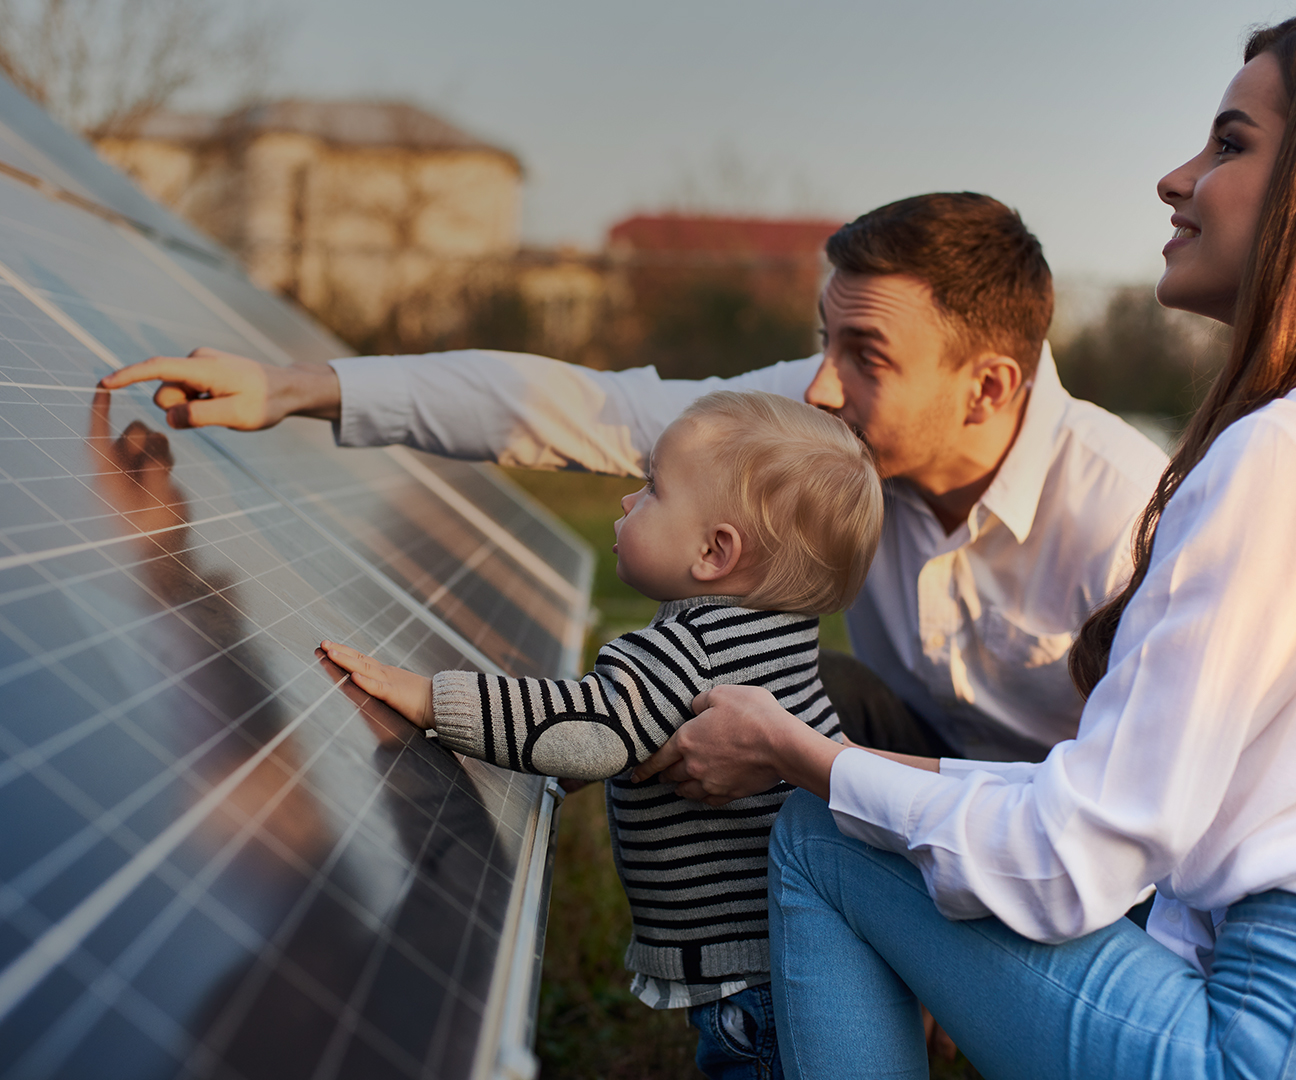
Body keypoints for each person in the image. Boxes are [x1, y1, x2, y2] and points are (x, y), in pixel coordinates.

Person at [631, 18, 1296, 1078]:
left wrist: (805, 759)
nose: (1176, 178)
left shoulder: (1259, 460)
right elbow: (607, 409)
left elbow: (1083, 856)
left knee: (819, 831)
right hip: (1218, 953)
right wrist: (321, 391)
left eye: (1229, 142)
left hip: (1247, 1041)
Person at [98, 192, 1167, 767]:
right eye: (823, 341)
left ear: (987, 388)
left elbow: (1138, 814)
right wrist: (300, 385)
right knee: (729, 687)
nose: (824, 392)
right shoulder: (821, 417)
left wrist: (857, 793)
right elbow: (592, 410)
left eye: (867, 359)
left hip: (1077, 841)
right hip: (912, 762)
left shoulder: (1129, 517)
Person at [318, 390, 883, 1080]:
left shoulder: (687, 650)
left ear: (714, 551)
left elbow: (591, 726)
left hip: (751, 985)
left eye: (650, 488)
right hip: (801, 953)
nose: (625, 503)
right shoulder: (784, 639)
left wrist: (432, 698)